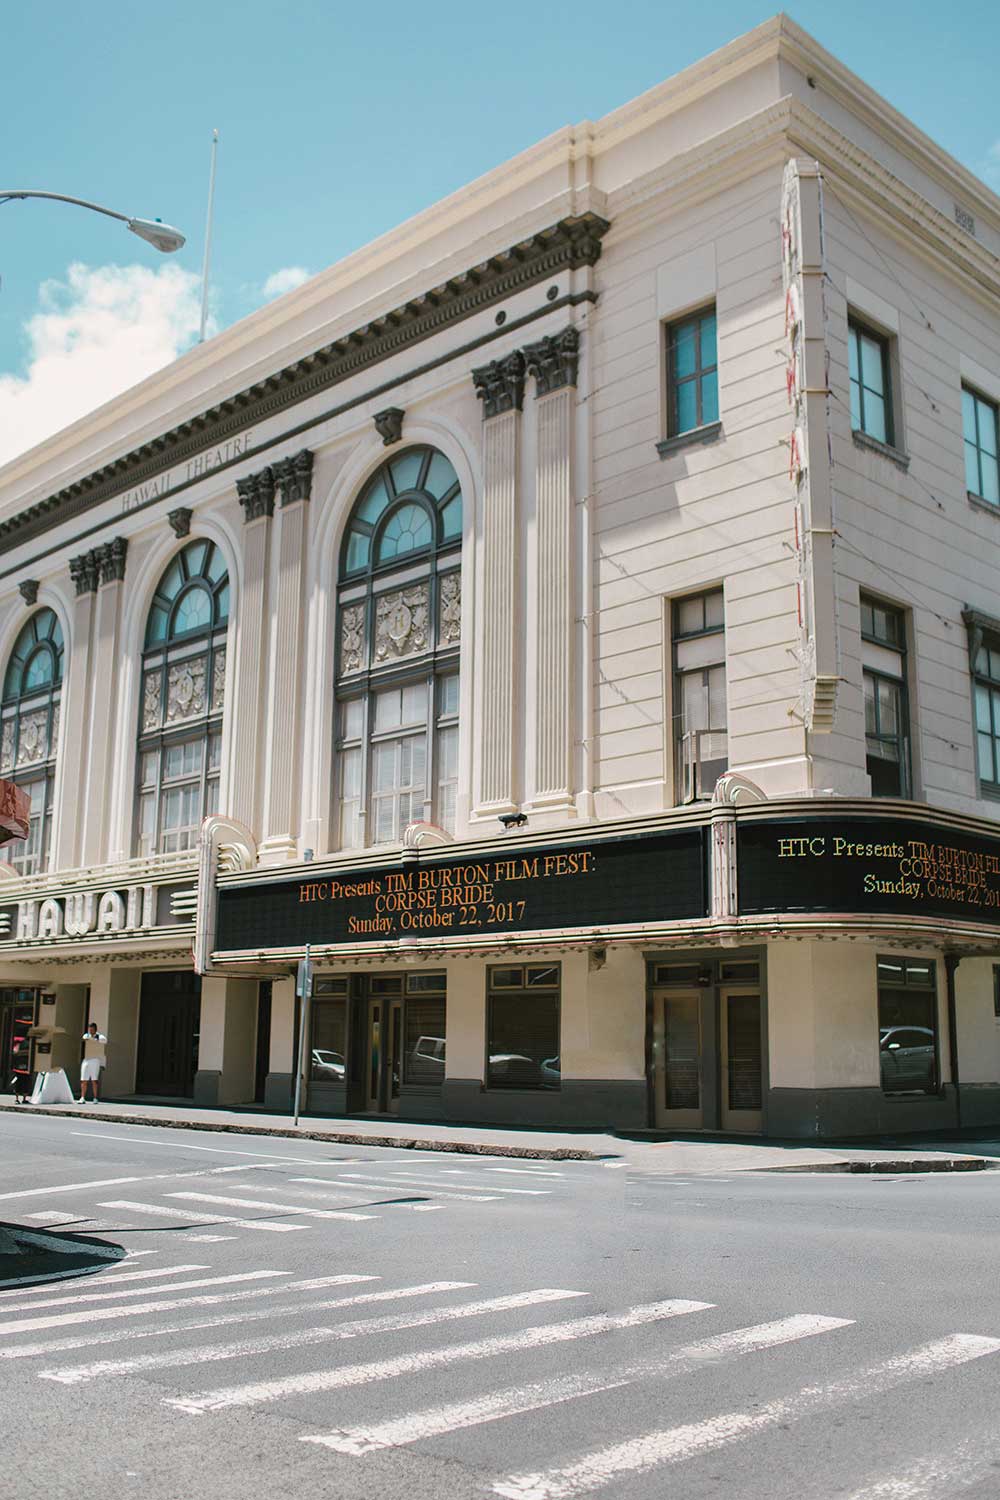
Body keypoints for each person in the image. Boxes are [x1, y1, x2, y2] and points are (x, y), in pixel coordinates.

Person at [80, 1021, 106, 1103]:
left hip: (95, 1059)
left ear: (95, 1029)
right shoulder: (86, 1035)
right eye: (89, 1030)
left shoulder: (100, 1036)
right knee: (84, 1079)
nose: (90, 1031)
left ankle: (95, 1098)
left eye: (92, 1030)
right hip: (86, 1059)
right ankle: (82, 1097)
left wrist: (96, 1039)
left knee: (94, 1080)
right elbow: (84, 1038)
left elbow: (104, 1040)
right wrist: (90, 1038)